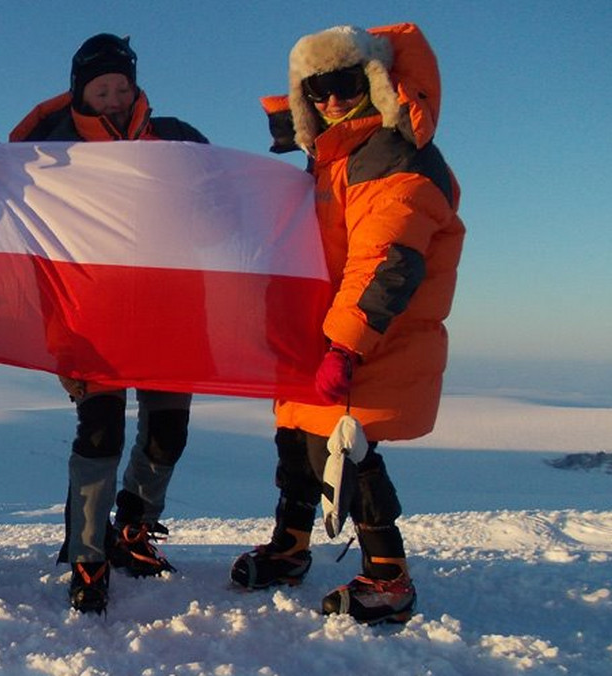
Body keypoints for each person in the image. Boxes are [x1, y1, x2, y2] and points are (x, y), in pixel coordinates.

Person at [231, 24, 465, 625]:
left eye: (345, 82)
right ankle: (291, 548)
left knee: (347, 456)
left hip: (370, 337)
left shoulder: (394, 157)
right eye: (317, 88)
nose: (331, 98)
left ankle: (390, 578)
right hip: (325, 336)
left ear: (376, 82)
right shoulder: (335, 157)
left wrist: (346, 345)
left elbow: (386, 263)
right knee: (298, 447)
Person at [9, 33, 209, 614]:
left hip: (170, 311)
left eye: (123, 86)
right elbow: (30, 241)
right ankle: (88, 558)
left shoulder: (175, 139)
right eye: (102, 89)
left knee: (168, 431)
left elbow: (224, 202)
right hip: (90, 318)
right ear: (81, 92)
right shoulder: (53, 155)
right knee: (100, 433)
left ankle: (133, 530)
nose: (116, 98)